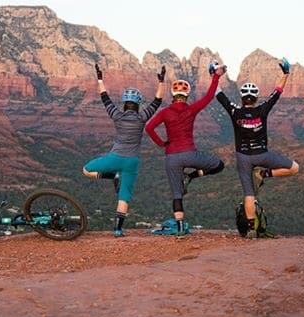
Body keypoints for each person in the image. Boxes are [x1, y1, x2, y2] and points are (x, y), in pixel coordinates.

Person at [214, 57, 300, 239]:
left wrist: (214, 76)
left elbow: (219, 95)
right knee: (294, 168)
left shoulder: (235, 111)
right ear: (255, 98)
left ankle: (251, 228)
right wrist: (286, 73)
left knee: (249, 194)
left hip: (243, 158)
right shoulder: (262, 110)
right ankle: (264, 174)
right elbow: (277, 92)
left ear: (242, 98)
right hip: (263, 156)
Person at [82, 63, 166, 237]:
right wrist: (161, 82)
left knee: (86, 169)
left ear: (125, 103)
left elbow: (105, 98)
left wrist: (100, 79)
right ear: (137, 104)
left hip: (115, 157)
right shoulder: (143, 117)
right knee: (124, 195)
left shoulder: (117, 116)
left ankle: (112, 175)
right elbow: (157, 102)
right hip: (132, 161)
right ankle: (118, 229)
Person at [144, 66, 226, 236]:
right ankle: (191, 176)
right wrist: (216, 77)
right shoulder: (191, 109)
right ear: (187, 95)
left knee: (176, 194)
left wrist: (162, 143)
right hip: (191, 155)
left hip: (171, 157)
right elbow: (209, 96)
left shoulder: (165, 112)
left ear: (172, 96)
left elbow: (149, 127)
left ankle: (180, 228)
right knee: (219, 166)